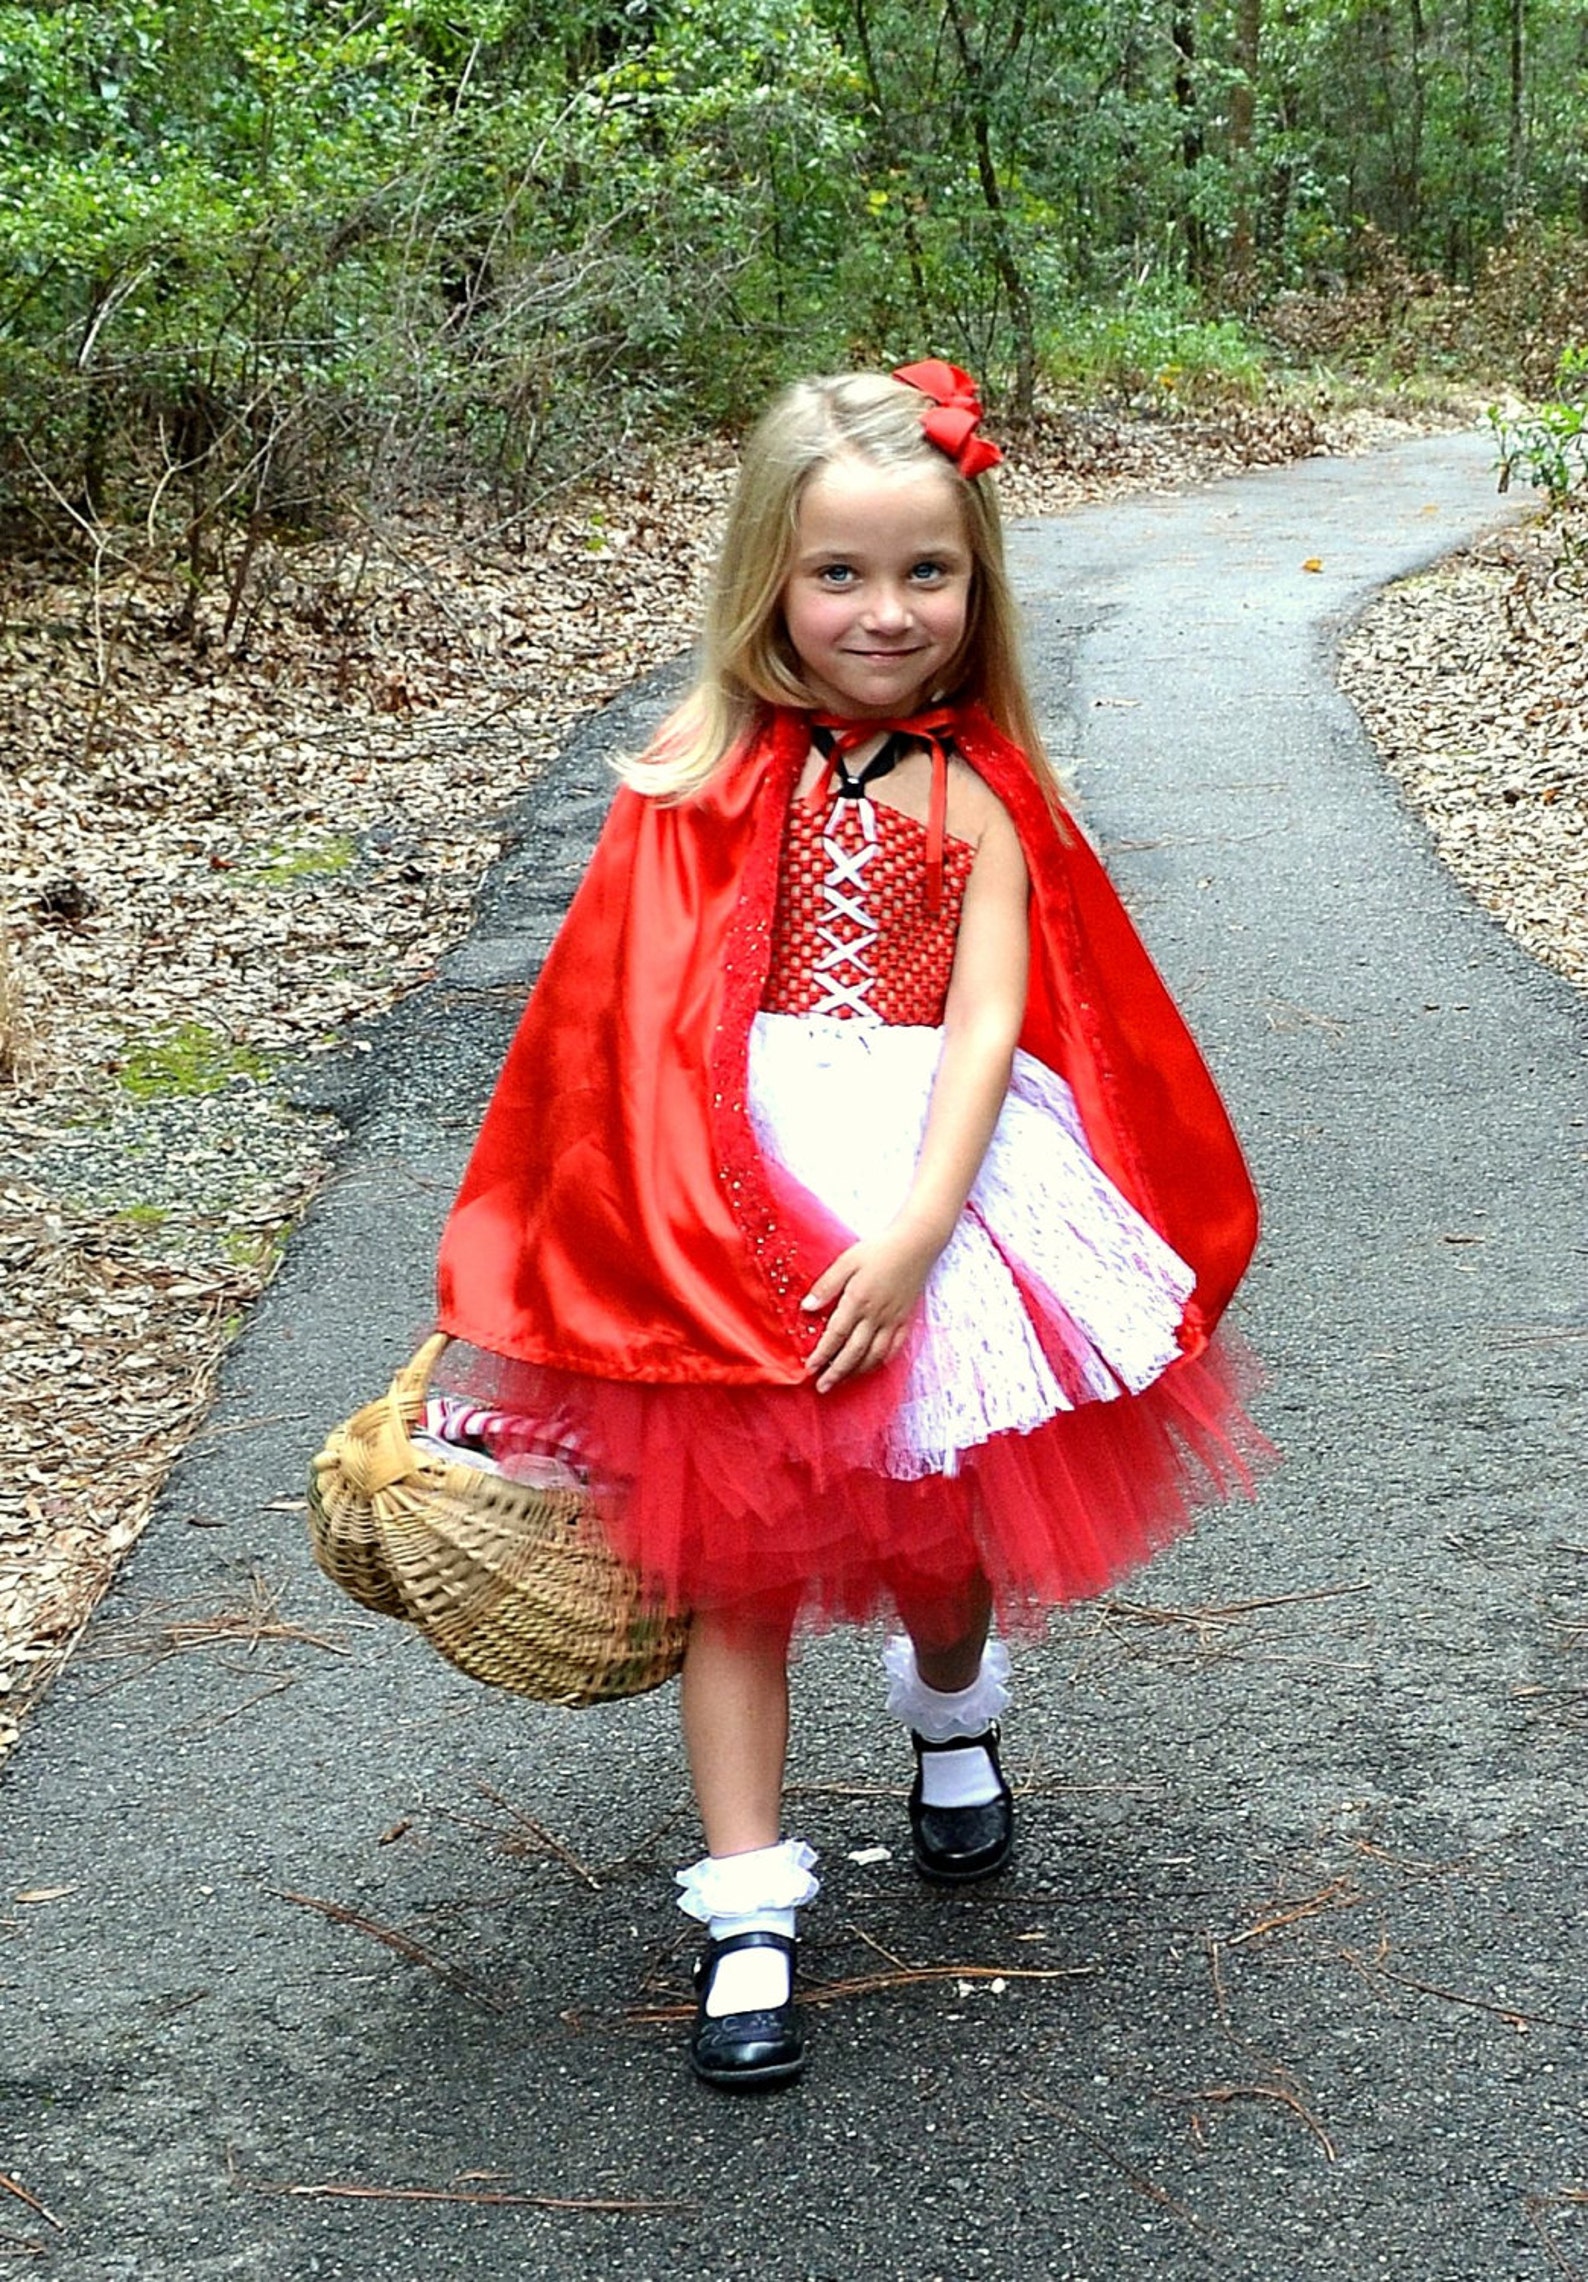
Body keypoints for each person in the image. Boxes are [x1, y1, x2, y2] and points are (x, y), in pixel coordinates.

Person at [434, 361, 1264, 2092]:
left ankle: (950, 1716)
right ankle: (749, 1909)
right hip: (720, 1200)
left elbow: (989, 1024)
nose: (885, 613)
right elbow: (603, 1043)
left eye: (927, 573)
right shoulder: (688, 778)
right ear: (769, 578)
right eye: (840, 574)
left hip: (926, 1186)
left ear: (978, 586)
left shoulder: (984, 794)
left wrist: (913, 1230)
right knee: (732, 1556)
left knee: (942, 1522)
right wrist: (571, 1267)